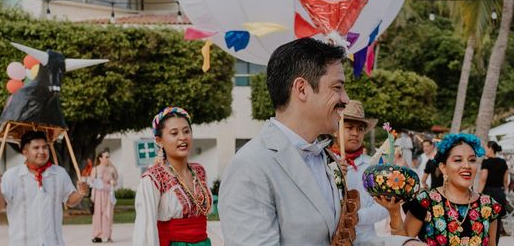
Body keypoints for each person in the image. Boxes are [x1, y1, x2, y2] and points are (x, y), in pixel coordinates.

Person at [219, 38, 423, 246]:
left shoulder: (327, 160)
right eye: (337, 88)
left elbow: (345, 238)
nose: (345, 98)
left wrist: (404, 244)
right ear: (302, 89)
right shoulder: (251, 166)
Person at [378, 133, 502, 246]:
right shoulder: (425, 201)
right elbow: (403, 241)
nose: (467, 166)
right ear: (443, 168)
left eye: (472, 160)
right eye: (458, 160)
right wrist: (394, 212)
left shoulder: (488, 205)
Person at [132, 106, 213, 246]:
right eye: (174, 133)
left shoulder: (199, 172)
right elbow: (145, 228)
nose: (182, 137)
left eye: (186, 131)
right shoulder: (154, 178)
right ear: (159, 141)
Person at [0, 130, 89, 246]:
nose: (42, 151)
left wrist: (80, 193)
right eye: (36, 148)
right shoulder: (11, 175)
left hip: (53, 242)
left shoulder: (59, 173)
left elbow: (70, 201)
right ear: (25, 152)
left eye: (45, 147)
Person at [329, 99, 389, 241]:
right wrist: (332, 175)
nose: (355, 133)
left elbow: (384, 208)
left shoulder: (373, 167)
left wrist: (357, 217)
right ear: (335, 131)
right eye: (349, 127)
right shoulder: (324, 162)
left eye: (360, 129)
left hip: (365, 240)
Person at [478, 141, 509, 243]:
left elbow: (483, 179)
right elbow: (505, 180)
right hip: (500, 193)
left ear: (490, 148)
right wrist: (505, 193)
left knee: (485, 220)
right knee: (497, 222)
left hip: (488, 193)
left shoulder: (486, 162)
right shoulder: (503, 162)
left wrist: (478, 193)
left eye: (486, 148)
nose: (484, 150)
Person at [90, 150, 119, 243]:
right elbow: (93, 182)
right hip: (99, 194)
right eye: (106, 157)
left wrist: (112, 183)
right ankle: (97, 235)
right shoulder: (96, 169)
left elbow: (116, 179)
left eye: (108, 156)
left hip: (108, 194)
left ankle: (108, 235)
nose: (108, 159)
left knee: (108, 214)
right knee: (98, 214)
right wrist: (104, 185)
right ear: (100, 158)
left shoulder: (111, 169)